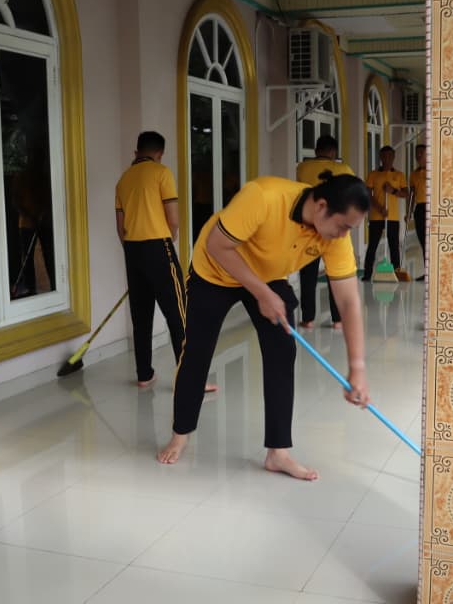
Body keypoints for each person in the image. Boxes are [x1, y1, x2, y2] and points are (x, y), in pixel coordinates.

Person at [156, 174, 373, 481]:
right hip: (215, 270)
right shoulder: (264, 197)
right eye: (342, 226)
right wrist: (261, 293)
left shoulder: (332, 236)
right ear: (322, 206)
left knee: (282, 351)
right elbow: (217, 245)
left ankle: (278, 453)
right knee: (197, 351)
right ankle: (180, 434)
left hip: (268, 275)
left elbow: (349, 300)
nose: (342, 235)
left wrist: (358, 366)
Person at [115, 131, 215, 393]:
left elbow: (121, 228)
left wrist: (136, 250)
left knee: (141, 314)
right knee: (179, 314)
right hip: (159, 247)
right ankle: (191, 378)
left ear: (136, 152)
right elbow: (173, 219)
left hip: (132, 251)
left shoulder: (123, 179)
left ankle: (144, 374)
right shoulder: (161, 173)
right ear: (159, 153)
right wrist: (166, 242)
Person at [295, 134, 356, 329]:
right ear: (333, 152)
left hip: (309, 227)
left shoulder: (303, 168)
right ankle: (337, 320)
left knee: (308, 275)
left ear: (316, 150)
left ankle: (308, 318)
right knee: (335, 274)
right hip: (334, 228)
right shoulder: (344, 169)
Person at [362, 145, 408, 280]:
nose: (387, 159)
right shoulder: (373, 174)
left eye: (390, 156)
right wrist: (379, 208)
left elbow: (406, 193)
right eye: (384, 156)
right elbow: (367, 195)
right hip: (376, 216)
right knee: (372, 247)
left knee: (394, 247)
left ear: (394, 157)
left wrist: (392, 191)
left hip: (392, 217)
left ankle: (396, 273)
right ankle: (367, 274)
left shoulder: (399, 175)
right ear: (380, 157)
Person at [408, 144, 429, 281]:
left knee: (431, 242)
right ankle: (427, 272)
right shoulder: (414, 174)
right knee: (423, 242)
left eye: (422, 153)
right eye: (417, 154)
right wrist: (409, 211)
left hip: (431, 208)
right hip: (420, 209)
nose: (419, 156)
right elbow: (412, 194)